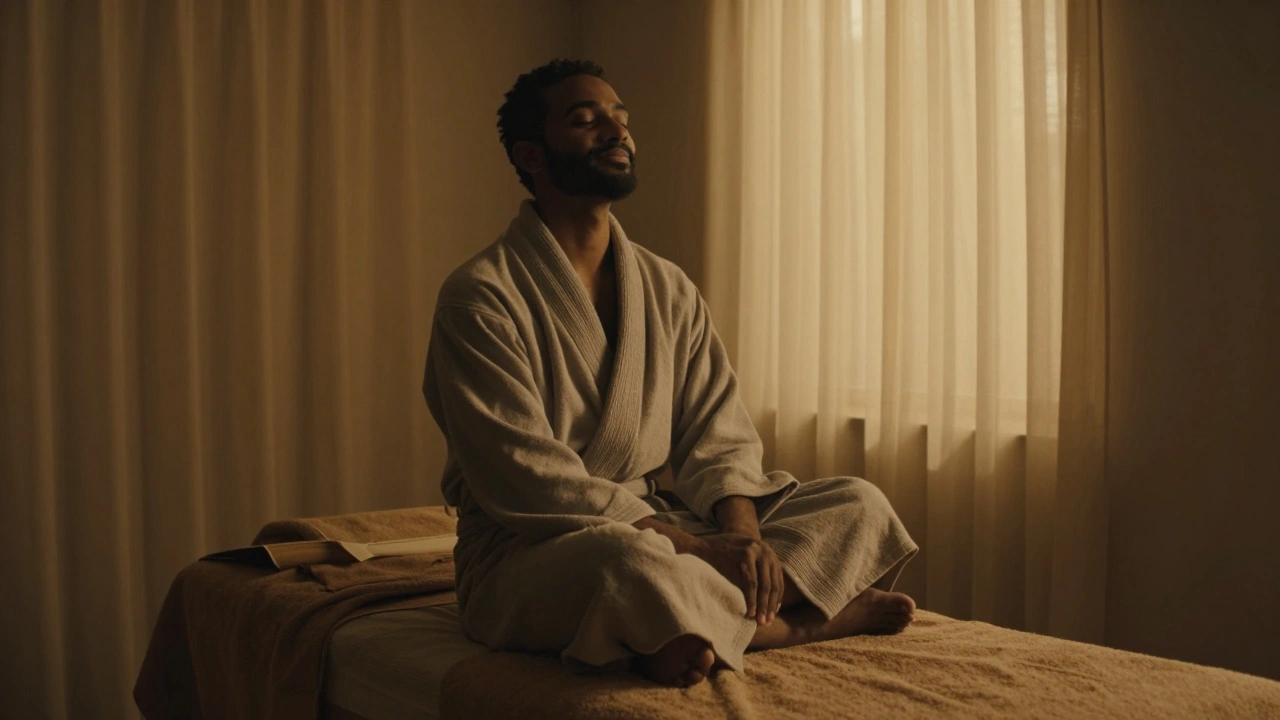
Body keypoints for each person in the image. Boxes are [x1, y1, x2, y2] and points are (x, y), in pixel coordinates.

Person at [422, 59, 918, 689]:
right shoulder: (480, 298)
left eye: (620, 117)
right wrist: (700, 550)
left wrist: (741, 539)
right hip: (534, 552)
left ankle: (680, 625)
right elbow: (527, 480)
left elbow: (720, 435)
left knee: (859, 503)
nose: (617, 131)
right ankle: (799, 625)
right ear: (531, 155)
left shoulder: (666, 287)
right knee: (627, 564)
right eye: (586, 119)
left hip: (667, 529)